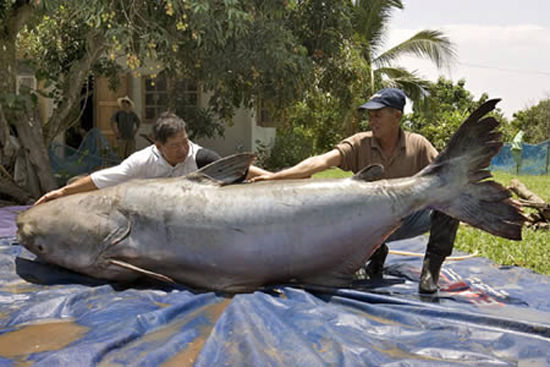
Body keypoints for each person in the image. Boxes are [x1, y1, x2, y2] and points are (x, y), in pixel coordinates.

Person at [251, 88, 460, 293]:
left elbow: (445, 175)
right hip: (366, 225)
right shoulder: (360, 143)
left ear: (397, 116)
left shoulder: (418, 145)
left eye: (377, 115)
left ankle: (430, 270)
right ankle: (373, 253)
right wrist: (274, 177)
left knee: (450, 199)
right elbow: (321, 161)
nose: (372, 121)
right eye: (370, 116)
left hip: (407, 218)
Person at [35, 112, 270, 206]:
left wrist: (277, 178)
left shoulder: (199, 156)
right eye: (176, 145)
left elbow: (240, 170)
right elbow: (99, 180)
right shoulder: (140, 162)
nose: (183, 149)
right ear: (158, 145)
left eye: (185, 141)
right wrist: (61, 193)